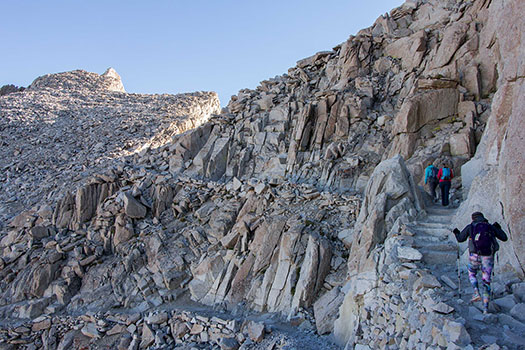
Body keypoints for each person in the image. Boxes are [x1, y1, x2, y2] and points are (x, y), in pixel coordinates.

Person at [453, 212, 508, 313]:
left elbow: (460, 239)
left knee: (472, 273)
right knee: (486, 280)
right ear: (483, 218)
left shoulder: (471, 227)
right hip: (488, 256)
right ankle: (485, 308)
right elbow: (504, 238)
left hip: (474, 255)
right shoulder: (490, 227)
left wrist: (456, 232)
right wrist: (498, 228)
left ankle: (476, 292)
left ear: (473, 218)